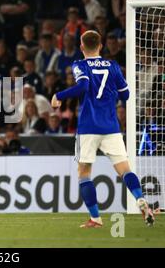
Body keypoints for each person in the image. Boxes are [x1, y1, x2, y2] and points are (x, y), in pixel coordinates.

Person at [51, 30, 155, 228]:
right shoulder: (113, 66)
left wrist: (59, 96)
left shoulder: (79, 64)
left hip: (89, 127)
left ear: (82, 47)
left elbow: (83, 86)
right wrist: (111, 92)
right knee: (125, 169)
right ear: (100, 46)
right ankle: (140, 199)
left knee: (84, 173)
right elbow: (126, 96)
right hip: (111, 127)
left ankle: (96, 218)